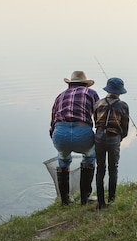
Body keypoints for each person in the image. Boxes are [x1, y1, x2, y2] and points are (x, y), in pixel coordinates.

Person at [49, 70, 100, 205]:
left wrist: (56, 139)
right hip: (82, 133)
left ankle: (65, 200)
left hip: (60, 133)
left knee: (63, 160)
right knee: (89, 157)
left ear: (70, 85)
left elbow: (53, 121)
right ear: (85, 84)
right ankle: (85, 198)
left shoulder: (60, 96)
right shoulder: (91, 93)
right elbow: (99, 116)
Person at [93, 77, 129, 209]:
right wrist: (120, 138)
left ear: (107, 89)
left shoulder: (98, 103)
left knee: (100, 169)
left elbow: (95, 120)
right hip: (114, 138)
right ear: (119, 92)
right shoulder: (123, 105)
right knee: (113, 168)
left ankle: (100, 202)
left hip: (99, 137)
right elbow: (125, 128)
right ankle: (112, 200)